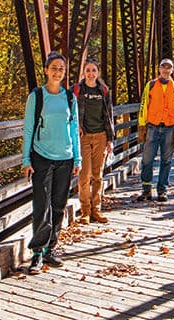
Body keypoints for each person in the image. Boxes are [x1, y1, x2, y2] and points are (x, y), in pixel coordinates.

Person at [22, 51, 81, 274]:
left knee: (58, 205)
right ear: (46, 70)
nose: (57, 72)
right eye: (54, 68)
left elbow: (74, 129)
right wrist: (26, 159)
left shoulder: (69, 98)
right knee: (41, 205)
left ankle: (49, 249)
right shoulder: (36, 96)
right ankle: (37, 252)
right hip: (42, 156)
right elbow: (28, 129)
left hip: (65, 158)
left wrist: (78, 157)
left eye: (61, 69)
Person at [136, 58, 174, 202]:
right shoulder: (150, 85)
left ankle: (162, 190)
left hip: (169, 128)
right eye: (163, 67)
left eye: (168, 68)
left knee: (166, 160)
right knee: (147, 160)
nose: (165, 70)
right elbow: (144, 104)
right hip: (152, 127)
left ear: (172, 70)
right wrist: (141, 125)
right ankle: (146, 190)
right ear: (159, 69)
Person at [74, 59, 114, 224]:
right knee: (84, 175)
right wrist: (76, 126)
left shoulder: (103, 91)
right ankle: (85, 211)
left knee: (97, 176)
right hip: (83, 137)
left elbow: (109, 116)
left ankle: (96, 210)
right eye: (88, 70)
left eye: (93, 70)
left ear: (97, 73)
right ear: (83, 72)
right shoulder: (76, 90)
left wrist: (110, 139)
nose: (91, 73)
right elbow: (69, 111)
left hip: (100, 136)